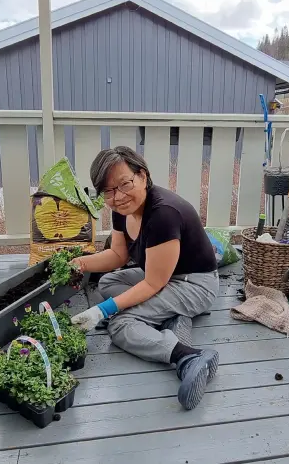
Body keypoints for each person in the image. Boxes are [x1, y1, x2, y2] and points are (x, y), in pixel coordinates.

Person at [70, 146, 220, 410]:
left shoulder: (163, 214)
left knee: (120, 325)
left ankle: (188, 357)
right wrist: (79, 263)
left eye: (124, 184)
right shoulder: (122, 209)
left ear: (142, 175)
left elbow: (153, 283)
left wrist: (102, 311)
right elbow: (117, 255)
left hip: (195, 283)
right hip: (164, 274)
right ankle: (169, 318)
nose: (117, 196)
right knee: (107, 282)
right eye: (108, 191)